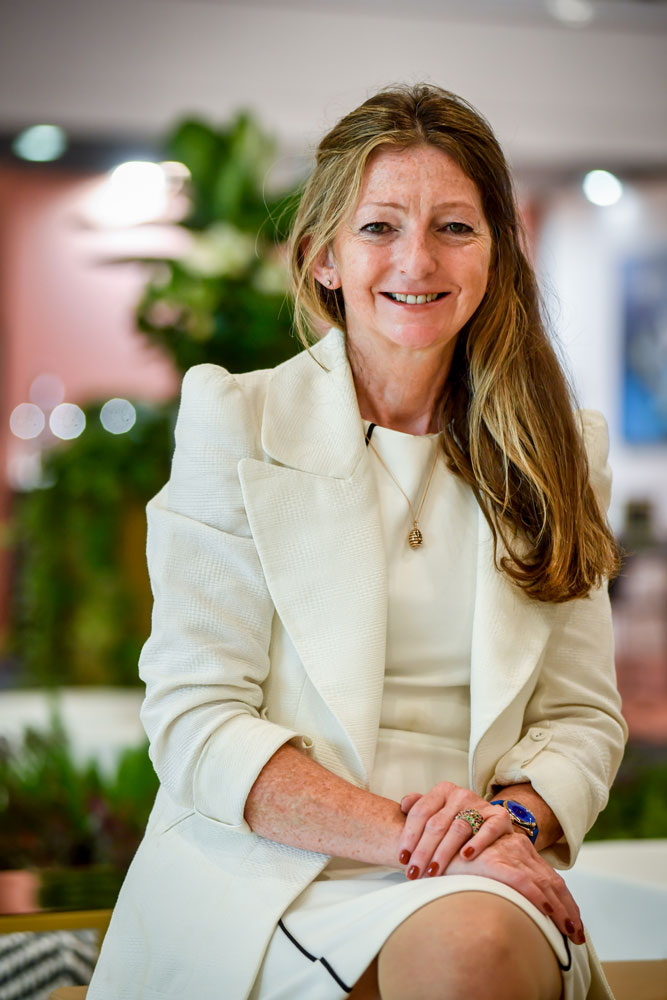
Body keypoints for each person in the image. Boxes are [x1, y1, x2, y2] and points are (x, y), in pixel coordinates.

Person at [88, 84, 626, 1000]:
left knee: (475, 943)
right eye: (379, 227)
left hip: (480, 863)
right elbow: (196, 719)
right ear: (322, 258)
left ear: (495, 253)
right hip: (265, 871)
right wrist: (422, 837)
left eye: (454, 227)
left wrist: (504, 825)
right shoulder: (237, 420)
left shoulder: (560, 449)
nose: (417, 259)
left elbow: (580, 719)